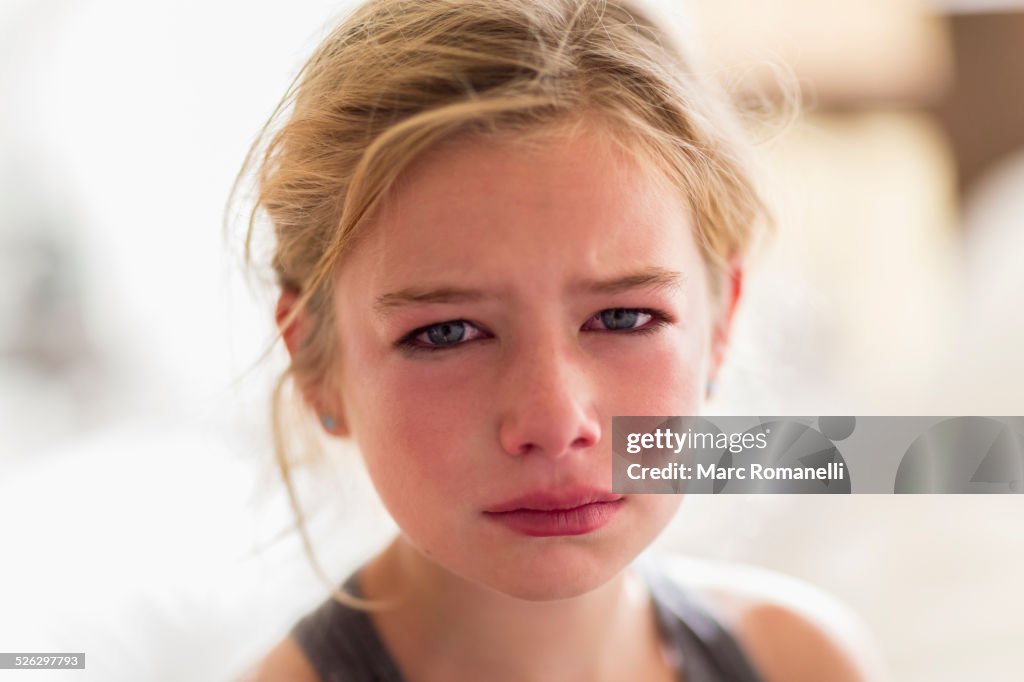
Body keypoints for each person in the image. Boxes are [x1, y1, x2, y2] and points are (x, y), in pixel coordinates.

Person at [232, 0, 883, 680]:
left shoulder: (801, 663)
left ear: (719, 327)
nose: (553, 422)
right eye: (447, 333)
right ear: (315, 363)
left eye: (625, 319)